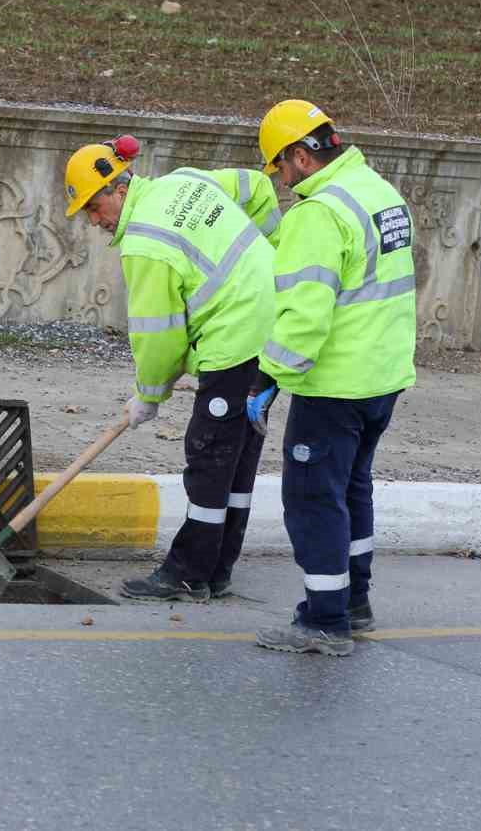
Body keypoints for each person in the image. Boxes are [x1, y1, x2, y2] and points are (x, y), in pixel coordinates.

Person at [64, 134, 273, 601]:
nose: (93, 221)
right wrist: (271, 253)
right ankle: (218, 569)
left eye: (94, 207)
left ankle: (188, 573)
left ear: (119, 188)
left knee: (209, 456)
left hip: (234, 337)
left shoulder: (145, 243)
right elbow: (258, 188)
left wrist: (149, 395)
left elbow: (160, 337)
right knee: (237, 459)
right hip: (273, 330)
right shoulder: (186, 181)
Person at [244, 100, 417, 656]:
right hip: (383, 378)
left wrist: (269, 377)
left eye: (281, 167)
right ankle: (355, 602)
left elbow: (305, 316)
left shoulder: (317, 214)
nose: (281, 180)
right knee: (352, 487)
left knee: (313, 497)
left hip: (334, 384)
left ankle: (324, 619)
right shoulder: (380, 193)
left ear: (300, 155)